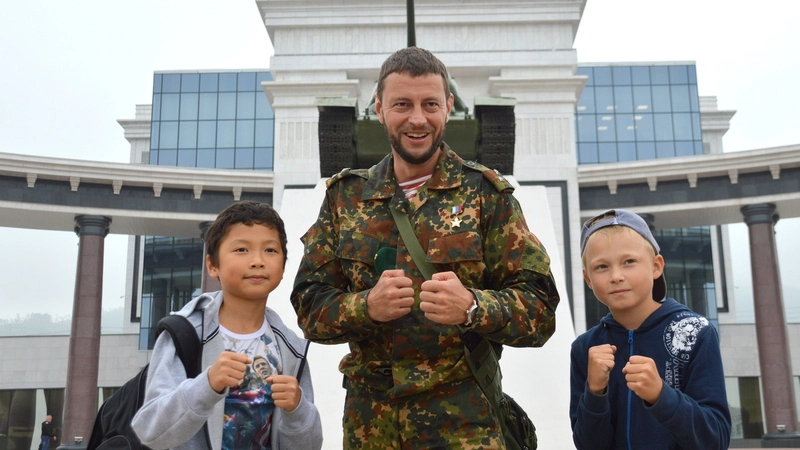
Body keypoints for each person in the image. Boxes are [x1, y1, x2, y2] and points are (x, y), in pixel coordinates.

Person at [292, 46, 560, 449]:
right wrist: (366, 307)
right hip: (372, 425)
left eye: (430, 104)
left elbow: (540, 311)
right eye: (402, 104)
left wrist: (473, 306)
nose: (417, 119)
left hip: (465, 422)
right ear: (379, 108)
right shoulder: (345, 198)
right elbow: (309, 307)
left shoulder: (486, 196)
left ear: (448, 106)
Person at [132, 201, 323, 450]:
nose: (258, 261)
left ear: (283, 266)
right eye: (242, 249)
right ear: (212, 265)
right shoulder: (184, 334)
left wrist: (297, 409)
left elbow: (309, 446)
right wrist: (207, 384)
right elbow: (150, 431)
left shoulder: (291, 348)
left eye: (270, 250)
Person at [570, 209, 731, 449]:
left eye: (629, 262)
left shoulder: (695, 332)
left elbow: (716, 439)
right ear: (588, 279)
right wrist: (594, 393)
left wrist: (661, 396)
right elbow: (588, 445)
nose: (616, 276)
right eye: (602, 266)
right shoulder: (585, 348)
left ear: (656, 266)